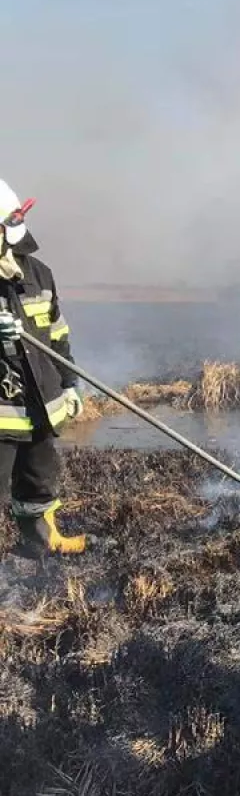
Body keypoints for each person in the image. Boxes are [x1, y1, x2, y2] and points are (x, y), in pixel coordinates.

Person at [0, 177, 87, 556]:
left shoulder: (38, 274)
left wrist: (70, 383)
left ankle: (41, 542)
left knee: (38, 478)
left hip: (40, 405)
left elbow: (57, 336)